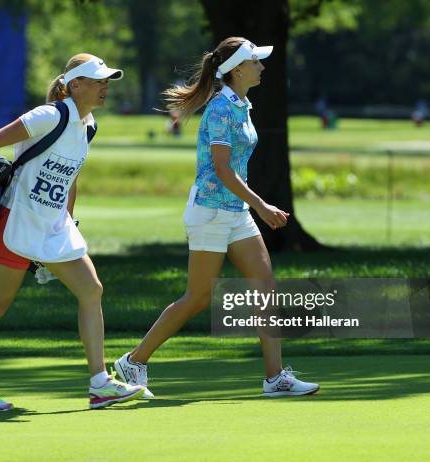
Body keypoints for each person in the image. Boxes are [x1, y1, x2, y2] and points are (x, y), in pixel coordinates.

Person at [114, 37, 320, 398]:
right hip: (210, 211)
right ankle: (134, 361)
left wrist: (251, 206)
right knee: (197, 298)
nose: (262, 66)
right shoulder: (220, 110)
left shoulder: (241, 103)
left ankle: (276, 378)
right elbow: (224, 171)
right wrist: (262, 205)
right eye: (255, 61)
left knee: (265, 288)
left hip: (235, 212)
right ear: (237, 68)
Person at [0, 54, 145, 411]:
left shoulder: (88, 125)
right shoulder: (49, 115)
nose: (106, 87)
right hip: (18, 221)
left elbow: (70, 178)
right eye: (99, 81)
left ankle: (100, 383)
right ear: (75, 85)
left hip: (54, 226)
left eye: (107, 81)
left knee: (92, 290)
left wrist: (67, 223)